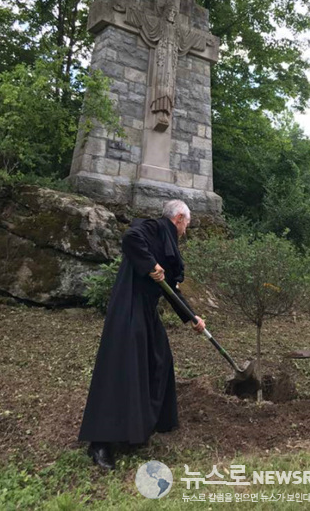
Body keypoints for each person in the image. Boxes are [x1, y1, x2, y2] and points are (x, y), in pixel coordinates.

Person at [79, 199, 205, 470]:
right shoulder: (152, 228)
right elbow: (130, 237)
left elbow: (172, 290)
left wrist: (192, 318)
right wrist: (150, 264)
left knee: (160, 359)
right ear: (179, 218)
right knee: (122, 366)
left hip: (146, 310)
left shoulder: (169, 245)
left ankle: (144, 425)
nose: (185, 231)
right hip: (128, 306)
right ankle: (100, 443)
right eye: (187, 225)